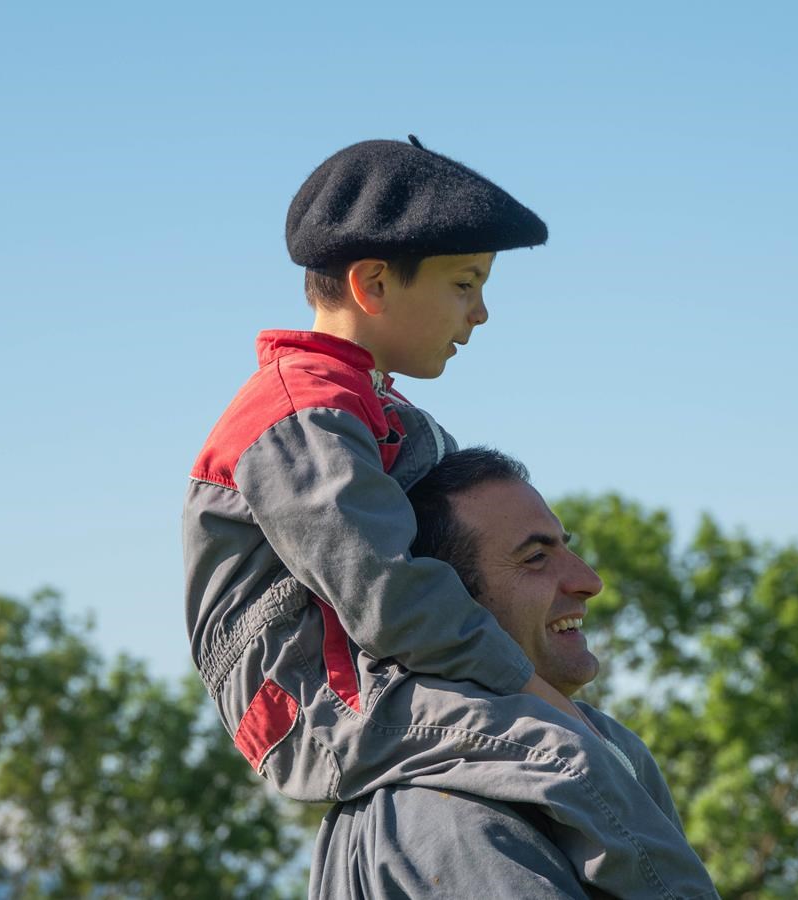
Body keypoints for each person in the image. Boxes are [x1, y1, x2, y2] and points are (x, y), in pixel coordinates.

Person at [183, 137, 706, 898]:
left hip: (382, 680)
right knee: (567, 755)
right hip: (320, 702)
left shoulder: (382, 413)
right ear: (371, 284)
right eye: (465, 283)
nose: (483, 312)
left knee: (616, 748)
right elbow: (386, 593)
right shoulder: (299, 418)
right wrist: (521, 680)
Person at [309, 448, 718, 899]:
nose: (589, 580)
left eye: (567, 546)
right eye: (536, 557)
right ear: (448, 607)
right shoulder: (449, 812)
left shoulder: (607, 746)